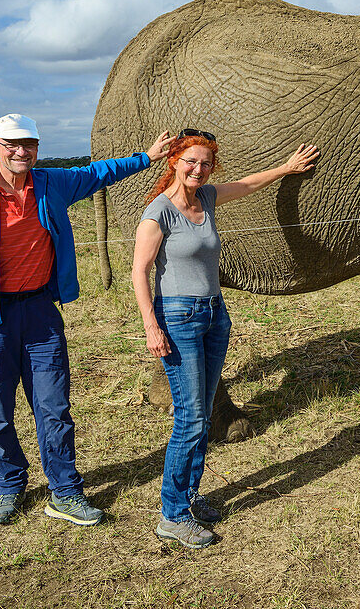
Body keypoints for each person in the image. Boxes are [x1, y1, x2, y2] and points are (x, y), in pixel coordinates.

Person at [0, 113, 172, 526]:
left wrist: (145, 158)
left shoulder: (50, 185)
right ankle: (10, 484)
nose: (21, 152)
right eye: (12, 144)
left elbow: (97, 174)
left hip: (41, 312)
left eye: (30, 144)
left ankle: (65, 490)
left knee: (54, 406)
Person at [132, 129, 318, 548]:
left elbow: (249, 184)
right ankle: (173, 514)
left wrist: (287, 167)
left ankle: (191, 498)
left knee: (202, 412)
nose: (198, 169)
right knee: (191, 418)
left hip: (215, 314)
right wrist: (151, 325)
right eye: (190, 161)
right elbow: (139, 272)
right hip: (177, 317)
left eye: (206, 163)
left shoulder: (207, 199)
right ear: (174, 162)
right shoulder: (157, 213)